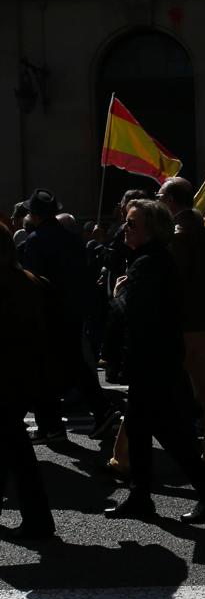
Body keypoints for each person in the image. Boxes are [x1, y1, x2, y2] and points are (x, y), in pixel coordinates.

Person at [104, 199, 205, 523]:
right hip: (156, 359)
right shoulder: (151, 260)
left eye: (132, 223)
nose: (124, 228)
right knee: (140, 427)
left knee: (167, 432)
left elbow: (135, 314)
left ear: (151, 229)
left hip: (152, 361)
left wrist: (118, 295)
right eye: (125, 222)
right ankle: (141, 494)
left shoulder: (148, 263)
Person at [17, 188, 116, 442]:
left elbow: (32, 281)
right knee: (74, 365)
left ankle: (52, 426)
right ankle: (101, 411)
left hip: (48, 313)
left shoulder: (35, 240)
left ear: (35, 214)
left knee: (42, 370)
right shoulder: (71, 238)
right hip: (72, 311)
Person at [157, 176, 205, 467]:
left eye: (160, 196)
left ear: (171, 201)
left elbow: (172, 282)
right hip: (202, 320)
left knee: (149, 386)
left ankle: (124, 457)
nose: (157, 200)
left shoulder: (177, 236)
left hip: (181, 322)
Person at [0, 222, 57, 539]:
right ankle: (39, 521)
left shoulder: (6, 287)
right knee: (12, 445)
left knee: (18, 451)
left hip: (6, 378)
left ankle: (39, 522)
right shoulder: (32, 282)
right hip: (26, 377)